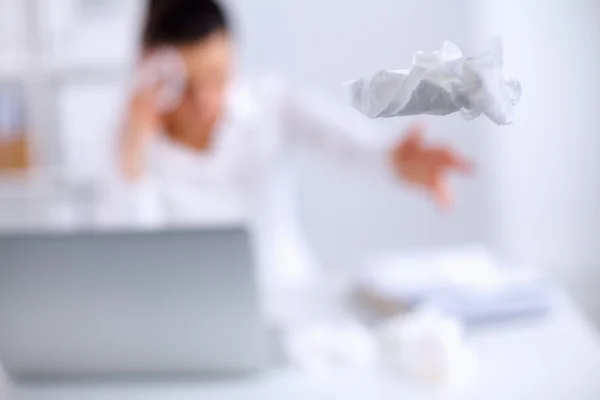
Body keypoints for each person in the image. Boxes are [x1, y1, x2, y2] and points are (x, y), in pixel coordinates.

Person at [106, 0, 472, 323]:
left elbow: (350, 146)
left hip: (292, 309)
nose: (203, 102)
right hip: (188, 323)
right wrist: (132, 157)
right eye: (185, 86)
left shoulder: (271, 105)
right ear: (149, 67)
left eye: (218, 77)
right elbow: (129, 262)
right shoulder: (132, 142)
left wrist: (393, 161)